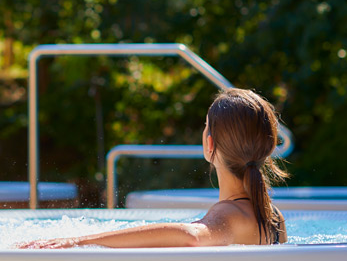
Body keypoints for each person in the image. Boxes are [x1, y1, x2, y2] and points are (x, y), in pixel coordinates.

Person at [17, 87, 288, 249]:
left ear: (210, 144)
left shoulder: (229, 215)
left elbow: (192, 236)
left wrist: (83, 241)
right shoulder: (272, 217)